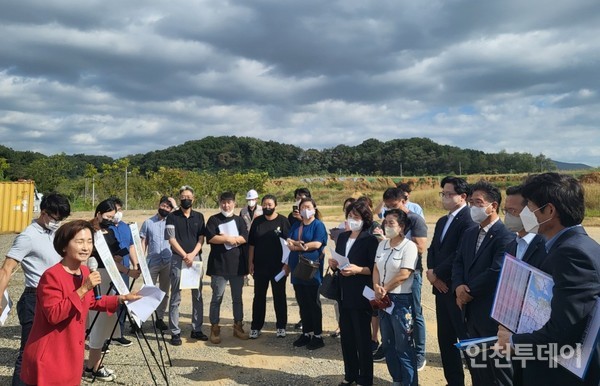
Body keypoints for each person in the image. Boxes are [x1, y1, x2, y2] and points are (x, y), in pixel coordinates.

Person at [497, 173, 600, 386]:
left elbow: (563, 334)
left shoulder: (571, 254)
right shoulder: (575, 245)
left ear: (550, 211)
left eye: (530, 207)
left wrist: (514, 342)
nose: (526, 214)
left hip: (559, 374)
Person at [19, 220, 140, 386]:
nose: (86, 247)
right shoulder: (52, 276)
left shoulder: (84, 271)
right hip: (51, 354)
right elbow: (54, 315)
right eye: (79, 241)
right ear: (64, 246)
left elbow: (91, 301)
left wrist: (121, 299)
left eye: (90, 241)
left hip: (72, 352)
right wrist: (85, 288)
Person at [0, 193, 71, 386]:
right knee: (29, 352)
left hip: (57, 298)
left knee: (51, 350)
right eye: (55, 218)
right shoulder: (28, 236)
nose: (58, 222)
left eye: (62, 219)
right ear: (44, 212)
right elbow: (6, 269)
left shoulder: (54, 233)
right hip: (34, 298)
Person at [451, 181, 515, 386]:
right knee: (476, 367)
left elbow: (496, 270)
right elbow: (458, 261)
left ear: (493, 205)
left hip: (490, 312)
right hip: (469, 311)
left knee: (496, 370)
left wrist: (468, 291)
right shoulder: (470, 232)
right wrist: (458, 286)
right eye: (470, 202)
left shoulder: (505, 235)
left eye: (478, 202)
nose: (473, 207)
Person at [426, 176, 475, 386]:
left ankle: (477, 379)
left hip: (455, 288)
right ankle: (454, 381)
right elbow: (432, 249)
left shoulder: (469, 220)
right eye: (442, 194)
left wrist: (437, 273)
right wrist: (431, 272)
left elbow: (459, 254)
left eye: (448, 194)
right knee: (445, 339)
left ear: (462, 196)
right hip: (440, 288)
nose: (444, 197)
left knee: (466, 340)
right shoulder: (442, 220)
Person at [85, 198, 141, 381]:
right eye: (108, 216)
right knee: (97, 324)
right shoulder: (88, 232)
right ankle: (93, 366)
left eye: (112, 216)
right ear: (98, 214)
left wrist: (127, 269)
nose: (110, 220)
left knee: (106, 323)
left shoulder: (109, 231)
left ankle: (93, 365)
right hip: (96, 279)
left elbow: (115, 258)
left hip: (112, 277)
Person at [501, 185, 549, 385]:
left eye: (513, 211)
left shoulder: (545, 245)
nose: (508, 216)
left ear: (529, 212)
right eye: (505, 211)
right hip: (513, 331)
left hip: (538, 335)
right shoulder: (512, 244)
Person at [378, 187, 428, 370]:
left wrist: (395, 240)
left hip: (412, 273)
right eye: (387, 206)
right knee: (393, 314)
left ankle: (420, 353)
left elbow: (421, 248)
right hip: (391, 275)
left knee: (415, 313)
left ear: (404, 201)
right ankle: (393, 348)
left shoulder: (415, 219)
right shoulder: (388, 221)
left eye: (394, 205)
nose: (391, 209)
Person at [330, 200, 379, 386]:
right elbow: (340, 260)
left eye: (356, 217)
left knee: (362, 339)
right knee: (347, 338)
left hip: (361, 293)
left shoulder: (370, 239)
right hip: (343, 293)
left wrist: (358, 270)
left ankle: (365, 378)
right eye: (350, 216)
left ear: (365, 219)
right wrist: (334, 264)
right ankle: (350, 374)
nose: (352, 220)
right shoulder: (342, 237)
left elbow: (374, 268)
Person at [373, 209, 419, 386]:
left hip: (400, 301)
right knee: (388, 344)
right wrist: (377, 287)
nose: (387, 226)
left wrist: (384, 288)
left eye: (391, 223)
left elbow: (404, 274)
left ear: (402, 227)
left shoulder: (409, 246)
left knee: (404, 346)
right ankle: (397, 379)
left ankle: (410, 382)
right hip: (383, 299)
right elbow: (376, 267)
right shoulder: (382, 245)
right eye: (385, 222)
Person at [205, 191, 250, 343]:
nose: (226, 205)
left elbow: (245, 237)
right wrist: (227, 239)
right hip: (219, 267)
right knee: (217, 297)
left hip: (237, 266)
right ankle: (215, 328)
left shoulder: (239, 220)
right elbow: (210, 237)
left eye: (229, 202)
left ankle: (238, 326)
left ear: (234, 203)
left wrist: (235, 239)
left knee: (237, 298)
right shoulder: (213, 219)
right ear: (220, 203)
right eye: (223, 202)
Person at [165, 185, 207, 346]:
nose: (186, 199)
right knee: (176, 296)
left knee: (198, 295)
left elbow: (201, 238)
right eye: (183, 197)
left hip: (195, 259)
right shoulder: (172, 217)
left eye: (189, 196)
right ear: (179, 198)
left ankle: (197, 329)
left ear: (193, 199)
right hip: (178, 259)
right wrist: (184, 255)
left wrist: (192, 255)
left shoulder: (199, 216)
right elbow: (171, 239)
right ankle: (175, 332)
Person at [285, 197, 328, 350]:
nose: (305, 210)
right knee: (302, 303)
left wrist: (297, 246)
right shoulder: (297, 225)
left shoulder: (318, 225)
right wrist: (298, 245)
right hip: (297, 269)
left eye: (308, 207)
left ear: (314, 209)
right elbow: (288, 242)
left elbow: (317, 244)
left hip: (311, 270)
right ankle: (306, 333)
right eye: (302, 207)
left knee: (313, 303)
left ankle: (317, 335)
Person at [248, 194, 291, 338]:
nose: (267, 207)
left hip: (278, 267)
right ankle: (256, 326)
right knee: (259, 296)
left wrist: (287, 265)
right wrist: (250, 262)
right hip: (260, 267)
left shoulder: (283, 221)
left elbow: (289, 245)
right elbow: (252, 244)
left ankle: (281, 326)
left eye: (270, 204)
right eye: (265, 204)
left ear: (275, 205)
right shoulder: (257, 222)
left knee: (279, 296)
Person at [140, 196, 177, 331]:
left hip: (168, 261)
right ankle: (140, 319)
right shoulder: (148, 222)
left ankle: (159, 318)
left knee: (164, 292)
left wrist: (176, 206)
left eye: (168, 207)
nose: (165, 209)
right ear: (159, 205)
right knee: (147, 291)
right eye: (163, 205)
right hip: (152, 262)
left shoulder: (173, 222)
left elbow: (181, 217)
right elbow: (143, 242)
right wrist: (140, 260)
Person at [109, 197, 140, 347]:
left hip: (125, 272)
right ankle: (105, 336)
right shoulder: (106, 229)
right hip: (109, 271)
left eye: (120, 209)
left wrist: (135, 264)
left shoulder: (125, 227)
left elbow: (131, 247)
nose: (118, 213)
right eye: (116, 210)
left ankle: (118, 333)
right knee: (109, 301)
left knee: (123, 301)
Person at [287, 187, 312, 330]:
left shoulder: (314, 216)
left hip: (309, 261)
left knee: (310, 293)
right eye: (298, 197)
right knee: (299, 292)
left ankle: (312, 323)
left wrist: (302, 219)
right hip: (295, 259)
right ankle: (303, 318)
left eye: (303, 196)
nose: (300, 199)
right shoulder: (292, 216)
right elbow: (289, 236)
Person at [240, 189, 262, 287]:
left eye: (252, 199)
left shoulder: (261, 210)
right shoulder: (243, 211)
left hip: (258, 238)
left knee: (257, 257)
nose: (251, 201)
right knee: (245, 257)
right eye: (249, 199)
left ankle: (256, 276)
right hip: (246, 238)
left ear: (256, 199)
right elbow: (241, 224)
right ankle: (245, 277)